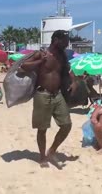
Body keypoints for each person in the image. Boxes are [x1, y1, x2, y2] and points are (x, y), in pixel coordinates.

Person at [20, 30, 76, 169]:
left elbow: (68, 70)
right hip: (42, 94)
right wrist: (40, 61)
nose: (66, 43)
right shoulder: (41, 53)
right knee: (42, 129)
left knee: (66, 125)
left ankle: (51, 151)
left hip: (57, 95)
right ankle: (42, 157)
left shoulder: (62, 56)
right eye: (64, 40)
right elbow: (24, 66)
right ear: (56, 39)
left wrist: (73, 82)